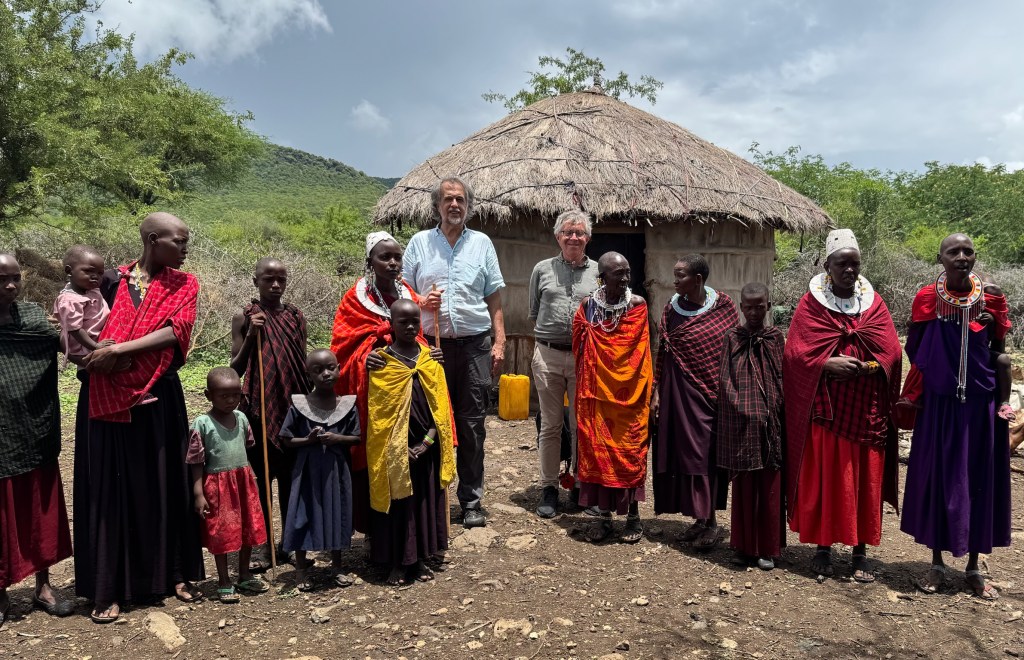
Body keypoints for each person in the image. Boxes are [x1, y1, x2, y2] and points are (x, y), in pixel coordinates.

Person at [75, 212, 205, 623]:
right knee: (112, 488)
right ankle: (109, 586)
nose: (185, 249)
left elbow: (176, 332)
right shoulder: (108, 281)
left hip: (160, 393)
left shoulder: (185, 284)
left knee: (165, 480)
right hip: (107, 395)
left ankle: (174, 573)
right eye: (178, 241)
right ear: (152, 240)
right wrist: (97, 354)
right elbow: (77, 321)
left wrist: (119, 351)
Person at [783, 229, 902, 582]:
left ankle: (860, 550)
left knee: (863, 479)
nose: (849, 270)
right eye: (842, 264)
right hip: (827, 411)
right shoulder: (811, 305)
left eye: (855, 264)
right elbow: (795, 353)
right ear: (827, 266)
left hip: (867, 410)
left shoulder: (874, 304)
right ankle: (823, 546)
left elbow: (892, 352)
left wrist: (869, 366)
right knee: (828, 477)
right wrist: (825, 363)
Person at [900, 233, 1012, 600]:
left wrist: (996, 395)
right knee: (940, 478)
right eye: (953, 252)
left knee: (978, 479)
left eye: (968, 251)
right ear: (940, 259)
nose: (962, 257)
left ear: (975, 257)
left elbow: (998, 351)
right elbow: (915, 348)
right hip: (939, 404)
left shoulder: (991, 297)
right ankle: (935, 563)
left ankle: (974, 568)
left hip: (980, 405)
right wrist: (941, 370)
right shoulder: (926, 299)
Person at [402, 176, 506, 528]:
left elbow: (493, 297)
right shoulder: (419, 243)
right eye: (448, 199)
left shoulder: (482, 243)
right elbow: (402, 291)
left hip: (475, 345)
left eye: (460, 199)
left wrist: (499, 341)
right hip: (430, 345)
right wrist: (421, 301)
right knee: (429, 421)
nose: (454, 205)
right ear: (437, 206)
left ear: (468, 205)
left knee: (472, 424)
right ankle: (432, 502)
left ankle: (471, 501)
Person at [331, 232, 430, 540]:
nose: (392, 263)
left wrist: (429, 355)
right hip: (373, 392)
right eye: (384, 257)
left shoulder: (407, 293)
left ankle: (410, 530)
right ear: (370, 261)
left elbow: (418, 337)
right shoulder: (355, 299)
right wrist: (365, 356)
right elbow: (342, 347)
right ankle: (378, 531)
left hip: (407, 391)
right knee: (378, 451)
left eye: (397, 257)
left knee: (409, 452)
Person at [0, 254, 74, 626]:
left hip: (34, 431)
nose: (11, 286)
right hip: (2, 435)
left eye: (15, 278)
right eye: (2, 279)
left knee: (39, 512)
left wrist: (103, 348)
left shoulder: (31, 318)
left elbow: (69, 346)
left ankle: (43, 586)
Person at [651, 253, 738, 551]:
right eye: (675, 274)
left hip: (709, 395)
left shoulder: (723, 307)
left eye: (681, 275)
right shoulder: (672, 309)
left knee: (704, 455)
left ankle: (711, 521)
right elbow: (663, 352)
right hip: (676, 393)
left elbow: (731, 353)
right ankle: (699, 519)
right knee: (683, 454)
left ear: (698, 279)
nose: (674, 280)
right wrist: (656, 391)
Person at [366, 300, 456, 584]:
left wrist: (426, 443)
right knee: (400, 505)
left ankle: (421, 559)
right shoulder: (382, 362)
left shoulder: (431, 360)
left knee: (424, 503)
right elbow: (378, 417)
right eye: (402, 322)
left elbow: (440, 411)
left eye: (414, 321)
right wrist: (398, 447)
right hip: (395, 451)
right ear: (391, 325)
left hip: (426, 448)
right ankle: (398, 562)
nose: (409, 326)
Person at [230, 257, 308, 571]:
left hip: (290, 406)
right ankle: (264, 546)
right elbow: (235, 368)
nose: (275, 285)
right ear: (256, 281)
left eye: (281, 279)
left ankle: (289, 542)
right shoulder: (244, 317)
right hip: (259, 407)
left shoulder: (295, 316)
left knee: (290, 478)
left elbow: (300, 362)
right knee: (262, 479)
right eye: (268, 279)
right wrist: (251, 335)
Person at [572, 252, 652, 543]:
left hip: (630, 396)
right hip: (596, 395)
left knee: (631, 450)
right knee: (598, 452)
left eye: (627, 272)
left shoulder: (637, 305)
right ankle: (603, 517)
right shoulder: (587, 307)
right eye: (619, 273)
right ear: (602, 278)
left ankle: (633, 517)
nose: (626, 278)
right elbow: (579, 346)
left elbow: (642, 351)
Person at [529, 210, 599, 518]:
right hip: (547, 355)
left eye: (579, 233)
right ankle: (549, 488)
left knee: (581, 424)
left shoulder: (599, 271)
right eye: (568, 232)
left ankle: (581, 485)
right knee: (551, 424)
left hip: (585, 356)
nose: (574, 237)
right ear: (558, 237)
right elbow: (534, 312)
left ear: (588, 238)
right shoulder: (541, 269)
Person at [716, 282, 786, 570]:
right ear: (741, 308)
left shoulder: (775, 338)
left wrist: (772, 409)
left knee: (770, 487)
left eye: (760, 307)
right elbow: (725, 379)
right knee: (744, 487)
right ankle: (743, 546)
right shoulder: (732, 337)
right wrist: (744, 410)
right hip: (742, 423)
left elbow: (782, 376)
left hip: (771, 425)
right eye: (749, 307)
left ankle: (768, 549)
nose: (755, 312)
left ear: (768, 306)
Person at [279, 349, 360, 591]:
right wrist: (309, 440)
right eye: (318, 370)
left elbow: (356, 437)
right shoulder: (299, 405)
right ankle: (301, 570)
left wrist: (337, 438)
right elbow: (286, 439)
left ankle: (337, 566)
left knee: (337, 512)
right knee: (302, 514)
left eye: (330, 368)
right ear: (309, 375)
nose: (326, 374)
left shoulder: (347, 404)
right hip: (307, 471)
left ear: (339, 369)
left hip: (336, 470)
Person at [188, 367, 269, 603]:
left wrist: (253, 477)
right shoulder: (202, 423)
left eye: (236, 395)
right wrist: (198, 493)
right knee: (221, 533)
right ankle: (224, 579)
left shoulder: (241, 418)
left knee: (248, 528)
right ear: (208, 395)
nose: (231, 400)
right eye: (224, 396)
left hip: (243, 482)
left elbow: (246, 449)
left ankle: (244, 574)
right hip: (218, 485)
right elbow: (196, 461)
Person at [52, 245, 113, 367]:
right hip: (84, 346)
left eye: (100, 273)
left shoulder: (91, 290)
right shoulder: (69, 300)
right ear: (69, 271)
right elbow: (75, 330)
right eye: (88, 271)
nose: (95, 276)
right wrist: (95, 346)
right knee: (92, 369)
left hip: (95, 340)